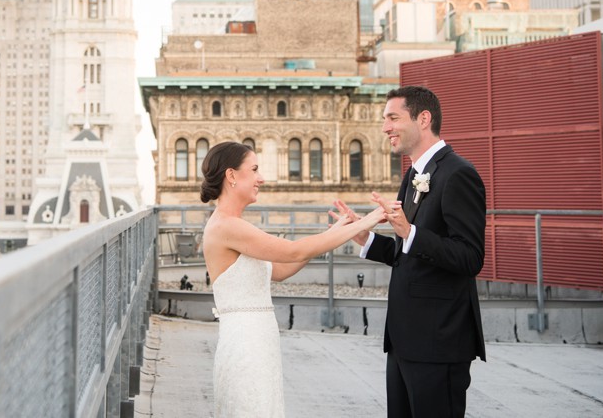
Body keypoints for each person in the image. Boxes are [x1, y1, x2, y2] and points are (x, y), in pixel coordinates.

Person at [201, 141, 386, 418]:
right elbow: (292, 251)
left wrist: (337, 231)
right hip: (246, 343)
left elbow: (279, 269)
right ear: (231, 176)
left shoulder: (232, 225)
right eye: (254, 169)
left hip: (257, 339)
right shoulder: (228, 226)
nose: (261, 178)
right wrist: (364, 222)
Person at [337, 85, 486, 418]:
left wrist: (409, 231)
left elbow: (470, 257)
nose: (385, 127)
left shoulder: (458, 173)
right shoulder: (413, 174)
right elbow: (409, 252)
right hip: (405, 340)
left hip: (439, 342)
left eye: (393, 118)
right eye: (384, 119)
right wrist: (366, 238)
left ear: (423, 118)